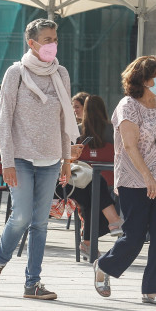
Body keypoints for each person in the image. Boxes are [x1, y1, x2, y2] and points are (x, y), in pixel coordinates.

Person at [0, 19, 79, 300]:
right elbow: (5, 121)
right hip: (21, 158)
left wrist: (66, 159)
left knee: (41, 223)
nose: (53, 44)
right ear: (32, 43)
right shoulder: (16, 73)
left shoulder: (60, 73)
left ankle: (32, 283)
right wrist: (8, 161)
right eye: (47, 39)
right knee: (22, 215)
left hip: (51, 158)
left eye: (55, 38)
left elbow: (64, 119)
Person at [92, 55, 156, 305]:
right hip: (134, 179)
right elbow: (129, 145)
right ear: (143, 78)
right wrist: (147, 177)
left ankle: (152, 290)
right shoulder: (127, 105)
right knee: (135, 235)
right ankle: (105, 265)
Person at [68, 95, 121, 260]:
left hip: (79, 182)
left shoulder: (76, 132)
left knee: (91, 197)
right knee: (95, 193)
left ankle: (88, 242)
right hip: (112, 183)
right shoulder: (113, 131)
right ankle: (109, 226)